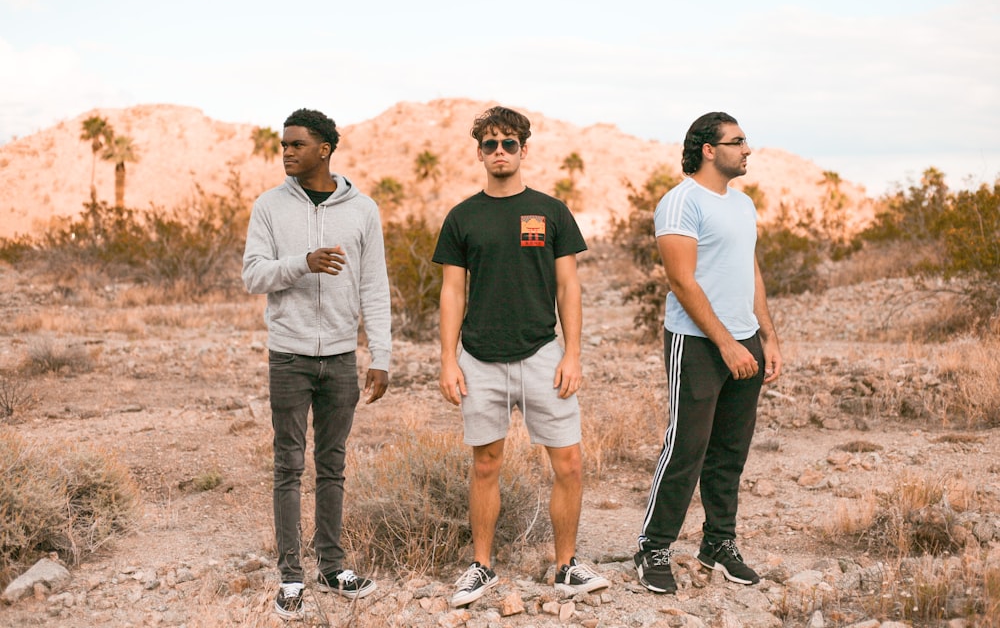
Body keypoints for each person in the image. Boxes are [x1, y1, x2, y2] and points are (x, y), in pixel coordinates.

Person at [433, 105, 609, 608]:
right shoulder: (462, 216)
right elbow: (451, 293)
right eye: (490, 144)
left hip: (541, 353)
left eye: (509, 143)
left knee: (569, 462)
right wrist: (448, 359)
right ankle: (482, 566)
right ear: (481, 152)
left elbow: (568, 287)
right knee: (486, 464)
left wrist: (572, 354)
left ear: (524, 149)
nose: (500, 152)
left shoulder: (551, 211)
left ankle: (566, 567)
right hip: (479, 359)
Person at [242, 108, 391, 620]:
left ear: (324, 148)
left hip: (343, 360)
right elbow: (254, 276)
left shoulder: (362, 209)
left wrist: (382, 356)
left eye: (296, 144)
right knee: (288, 466)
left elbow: (375, 286)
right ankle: (290, 576)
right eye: (283, 144)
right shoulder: (268, 207)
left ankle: (332, 565)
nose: (286, 152)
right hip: (289, 356)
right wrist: (301, 263)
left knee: (332, 466)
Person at [634, 111, 782, 594]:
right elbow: (681, 280)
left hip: (745, 341)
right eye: (737, 142)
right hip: (696, 343)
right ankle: (652, 547)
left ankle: (718, 542)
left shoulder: (743, 205)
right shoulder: (680, 203)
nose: (747, 150)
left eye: (746, 141)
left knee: (730, 451)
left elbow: (750, 270)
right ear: (709, 150)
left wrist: (766, 337)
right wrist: (725, 343)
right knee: (686, 447)